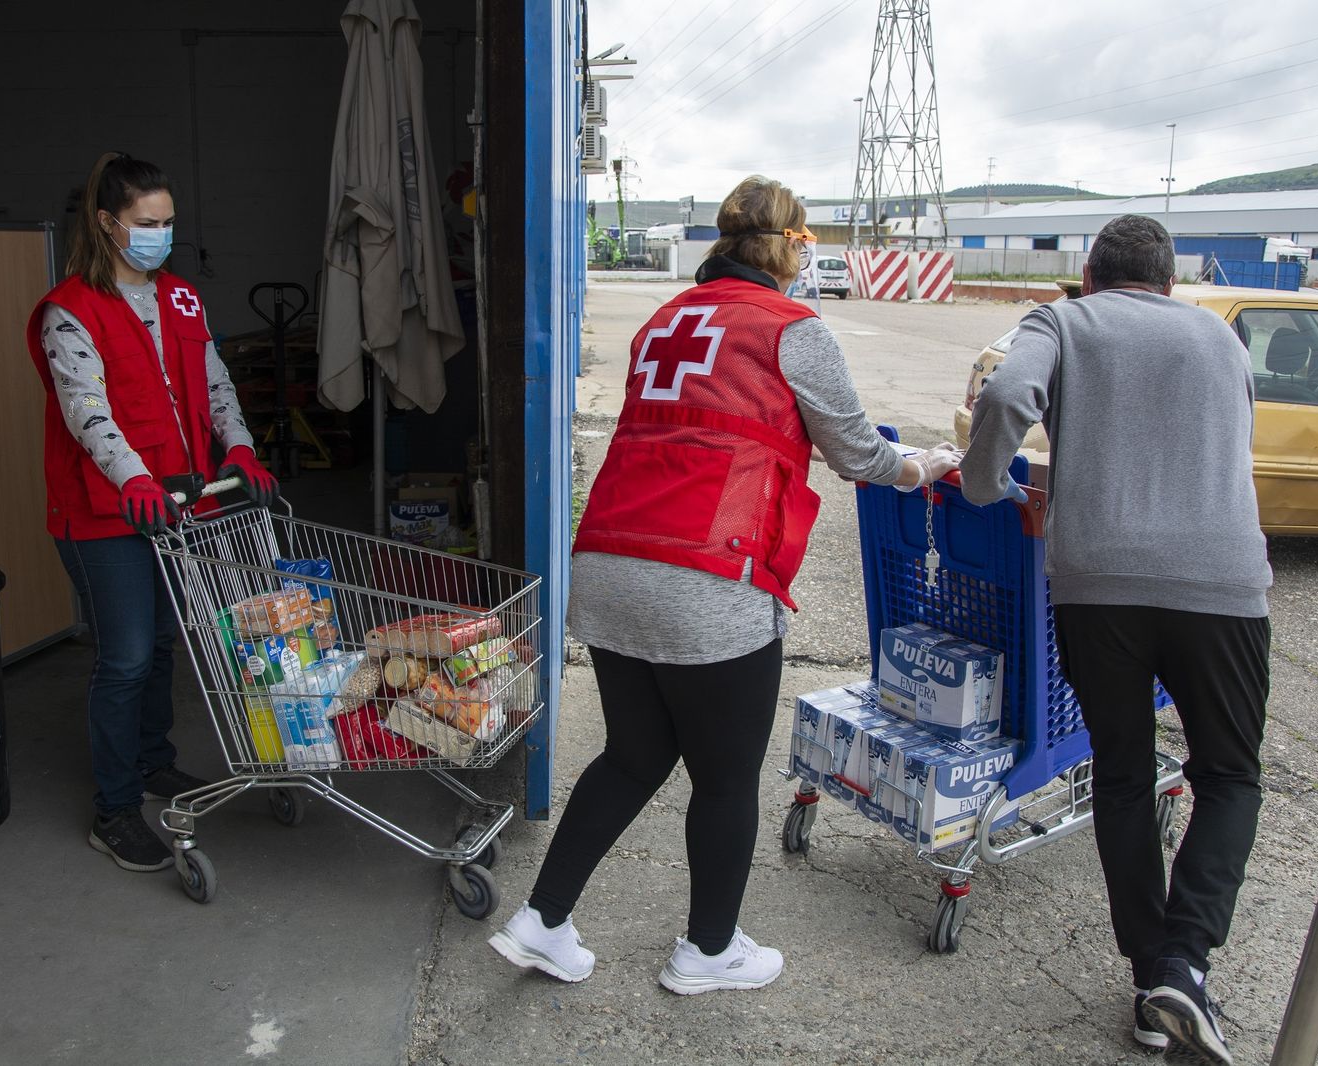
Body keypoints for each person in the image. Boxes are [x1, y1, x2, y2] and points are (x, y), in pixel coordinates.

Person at [488, 175, 960, 994]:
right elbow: (856, 451)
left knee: (635, 757)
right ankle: (709, 951)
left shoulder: (664, 318)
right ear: (791, 247)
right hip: (709, 574)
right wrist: (921, 467)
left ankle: (542, 920)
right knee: (727, 775)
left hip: (608, 561)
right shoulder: (791, 327)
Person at [960, 213, 1271, 1065]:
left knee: (1124, 772)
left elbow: (1001, 397)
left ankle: (1149, 983)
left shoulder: (1062, 321)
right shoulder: (1219, 337)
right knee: (1229, 773)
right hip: (1222, 586)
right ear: (1170, 280)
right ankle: (1185, 964)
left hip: (1099, 588)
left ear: (1090, 273)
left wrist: (987, 488)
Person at [26, 152, 279, 874]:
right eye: (145, 224)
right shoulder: (69, 311)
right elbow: (88, 413)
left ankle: (151, 760)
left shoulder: (183, 299)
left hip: (178, 507)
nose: (159, 236)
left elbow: (214, 379)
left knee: (164, 642)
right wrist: (134, 479)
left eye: (167, 224)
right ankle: (114, 808)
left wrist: (240, 449)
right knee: (127, 657)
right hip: (104, 514)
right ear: (108, 223)